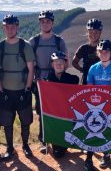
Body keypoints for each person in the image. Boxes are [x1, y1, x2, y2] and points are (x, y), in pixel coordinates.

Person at [85, 39, 111, 171]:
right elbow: (89, 88)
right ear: (97, 53)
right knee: (101, 130)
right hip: (97, 107)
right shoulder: (93, 68)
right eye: (101, 51)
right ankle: (105, 155)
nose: (103, 54)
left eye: (106, 52)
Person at [29, 10, 67, 153]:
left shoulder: (59, 41)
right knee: (41, 112)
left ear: (52, 23)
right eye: (43, 21)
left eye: (48, 21)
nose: (45, 24)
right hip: (40, 83)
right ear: (40, 23)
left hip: (56, 83)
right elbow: (30, 63)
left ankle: (58, 139)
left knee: (58, 112)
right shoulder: (34, 41)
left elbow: (66, 61)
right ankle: (44, 140)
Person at [0, 14, 35, 160]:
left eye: (12, 27)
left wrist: (27, 89)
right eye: (7, 27)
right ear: (4, 28)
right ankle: (10, 148)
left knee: (25, 121)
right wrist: (1, 90)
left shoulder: (24, 45)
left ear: (17, 27)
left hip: (22, 91)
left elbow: (31, 69)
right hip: (5, 91)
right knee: (7, 122)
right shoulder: (1, 46)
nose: (10, 29)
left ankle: (25, 146)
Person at [47, 51, 79, 158]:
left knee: (65, 128)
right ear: (52, 65)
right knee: (58, 153)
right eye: (56, 62)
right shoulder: (48, 79)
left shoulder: (71, 78)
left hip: (66, 113)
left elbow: (76, 80)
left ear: (65, 64)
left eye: (61, 62)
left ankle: (64, 144)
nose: (59, 65)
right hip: (54, 112)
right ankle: (55, 144)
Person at [72, 18, 102, 84]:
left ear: (100, 33)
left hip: (101, 80)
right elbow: (74, 62)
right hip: (86, 81)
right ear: (87, 33)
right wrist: (82, 70)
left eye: (96, 32)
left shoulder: (104, 47)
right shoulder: (83, 48)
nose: (93, 35)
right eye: (91, 32)